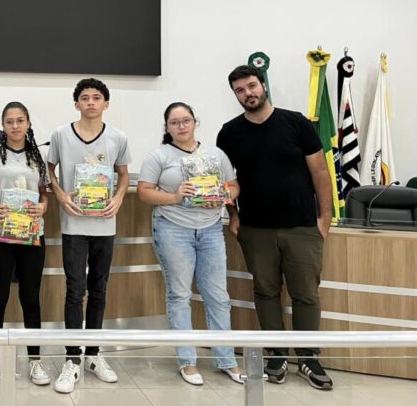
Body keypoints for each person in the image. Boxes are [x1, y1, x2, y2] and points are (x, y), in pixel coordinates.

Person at [216, 65, 334, 391]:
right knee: (266, 292)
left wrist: (324, 217)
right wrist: (234, 216)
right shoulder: (229, 133)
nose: (247, 93)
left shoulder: (296, 123)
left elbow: (320, 173)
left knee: (305, 294)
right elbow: (224, 181)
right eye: (240, 90)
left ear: (263, 85)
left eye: (251, 86)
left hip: (301, 227)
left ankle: (309, 358)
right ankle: (276, 355)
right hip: (256, 229)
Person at [137, 102, 245, 386]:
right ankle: (187, 361)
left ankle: (227, 360)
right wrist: (174, 196)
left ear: (195, 122)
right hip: (173, 229)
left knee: (218, 296)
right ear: (167, 127)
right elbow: (145, 192)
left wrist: (225, 193)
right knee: (180, 295)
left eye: (186, 120)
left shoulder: (215, 154)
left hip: (210, 230)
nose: (181, 126)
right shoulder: (159, 155)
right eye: (175, 122)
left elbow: (234, 185)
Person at [47, 78, 130, 394]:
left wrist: (120, 198)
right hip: (74, 226)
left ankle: (94, 354)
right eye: (85, 97)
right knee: (74, 290)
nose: (91, 102)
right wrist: (60, 194)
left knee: (99, 289)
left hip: (105, 225)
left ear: (106, 103)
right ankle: (72, 359)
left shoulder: (118, 137)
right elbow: (49, 170)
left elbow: (123, 174)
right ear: (76, 103)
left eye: (97, 98)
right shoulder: (60, 134)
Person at [0, 102, 51, 387]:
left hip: (32, 236)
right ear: (2, 125)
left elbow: (44, 194)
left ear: (29, 123)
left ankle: (35, 361)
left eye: (20, 120)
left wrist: (43, 207)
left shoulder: (38, 156)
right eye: (9, 121)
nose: (15, 126)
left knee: (31, 299)